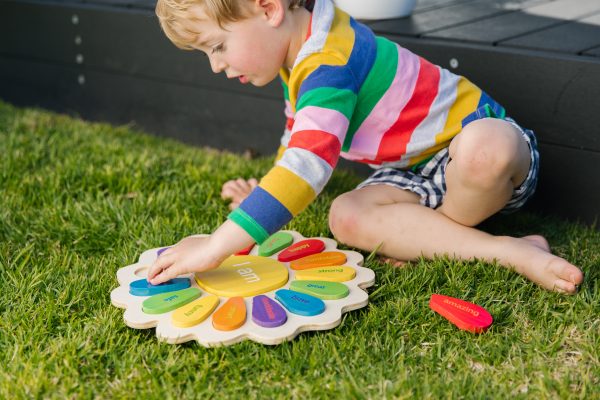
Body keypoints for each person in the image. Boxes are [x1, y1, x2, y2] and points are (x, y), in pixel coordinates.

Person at [148, 0, 584, 294]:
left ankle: (435, 238)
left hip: (474, 147)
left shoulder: (328, 62)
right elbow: (300, 137)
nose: (216, 65)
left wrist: (217, 245)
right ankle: (502, 249)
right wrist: (260, 198)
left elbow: (308, 165)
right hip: (414, 177)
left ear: (269, 7)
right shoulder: (298, 57)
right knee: (346, 215)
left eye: (218, 46)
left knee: (485, 148)